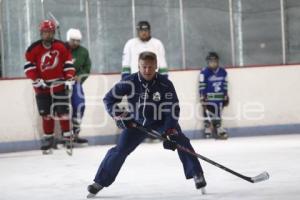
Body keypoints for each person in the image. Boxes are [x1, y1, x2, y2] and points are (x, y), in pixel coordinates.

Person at [87, 51, 206, 198]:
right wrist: (119, 115)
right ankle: (99, 182)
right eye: (144, 67)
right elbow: (109, 99)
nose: (147, 70)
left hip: (162, 122)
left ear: (156, 66)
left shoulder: (165, 84)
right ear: (138, 66)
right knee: (119, 150)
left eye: (150, 67)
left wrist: (169, 130)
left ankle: (197, 174)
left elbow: (173, 108)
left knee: (182, 141)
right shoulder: (129, 82)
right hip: (136, 123)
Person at [23, 20, 75, 153]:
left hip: (59, 85)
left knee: (63, 112)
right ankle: (48, 140)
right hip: (42, 87)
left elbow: (68, 63)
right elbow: (29, 67)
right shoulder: (33, 49)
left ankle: (67, 138)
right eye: (46, 32)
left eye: (50, 32)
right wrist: (36, 80)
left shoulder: (61, 46)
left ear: (53, 33)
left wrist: (69, 78)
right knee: (46, 115)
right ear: (41, 33)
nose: (48, 35)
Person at [65, 28, 91, 144]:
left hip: (76, 83)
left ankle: (75, 132)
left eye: (78, 41)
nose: (76, 43)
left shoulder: (83, 52)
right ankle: (65, 135)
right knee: (62, 108)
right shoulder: (61, 49)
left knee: (79, 105)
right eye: (73, 40)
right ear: (68, 39)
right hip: (63, 82)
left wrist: (80, 77)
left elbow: (86, 68)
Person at [199, 52, 229, 139]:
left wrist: (226, 95)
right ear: (208, 62)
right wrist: (202, 95)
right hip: (208, 97)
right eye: (211, 62)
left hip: (219, 97)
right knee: (207, 113)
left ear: (217, 61)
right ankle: (207, 128)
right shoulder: (204, 72)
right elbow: (202, 85)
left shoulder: (223, 72)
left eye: (214, 61)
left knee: (218, 113)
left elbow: (225, 84)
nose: (213, 63)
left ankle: (218, 128)